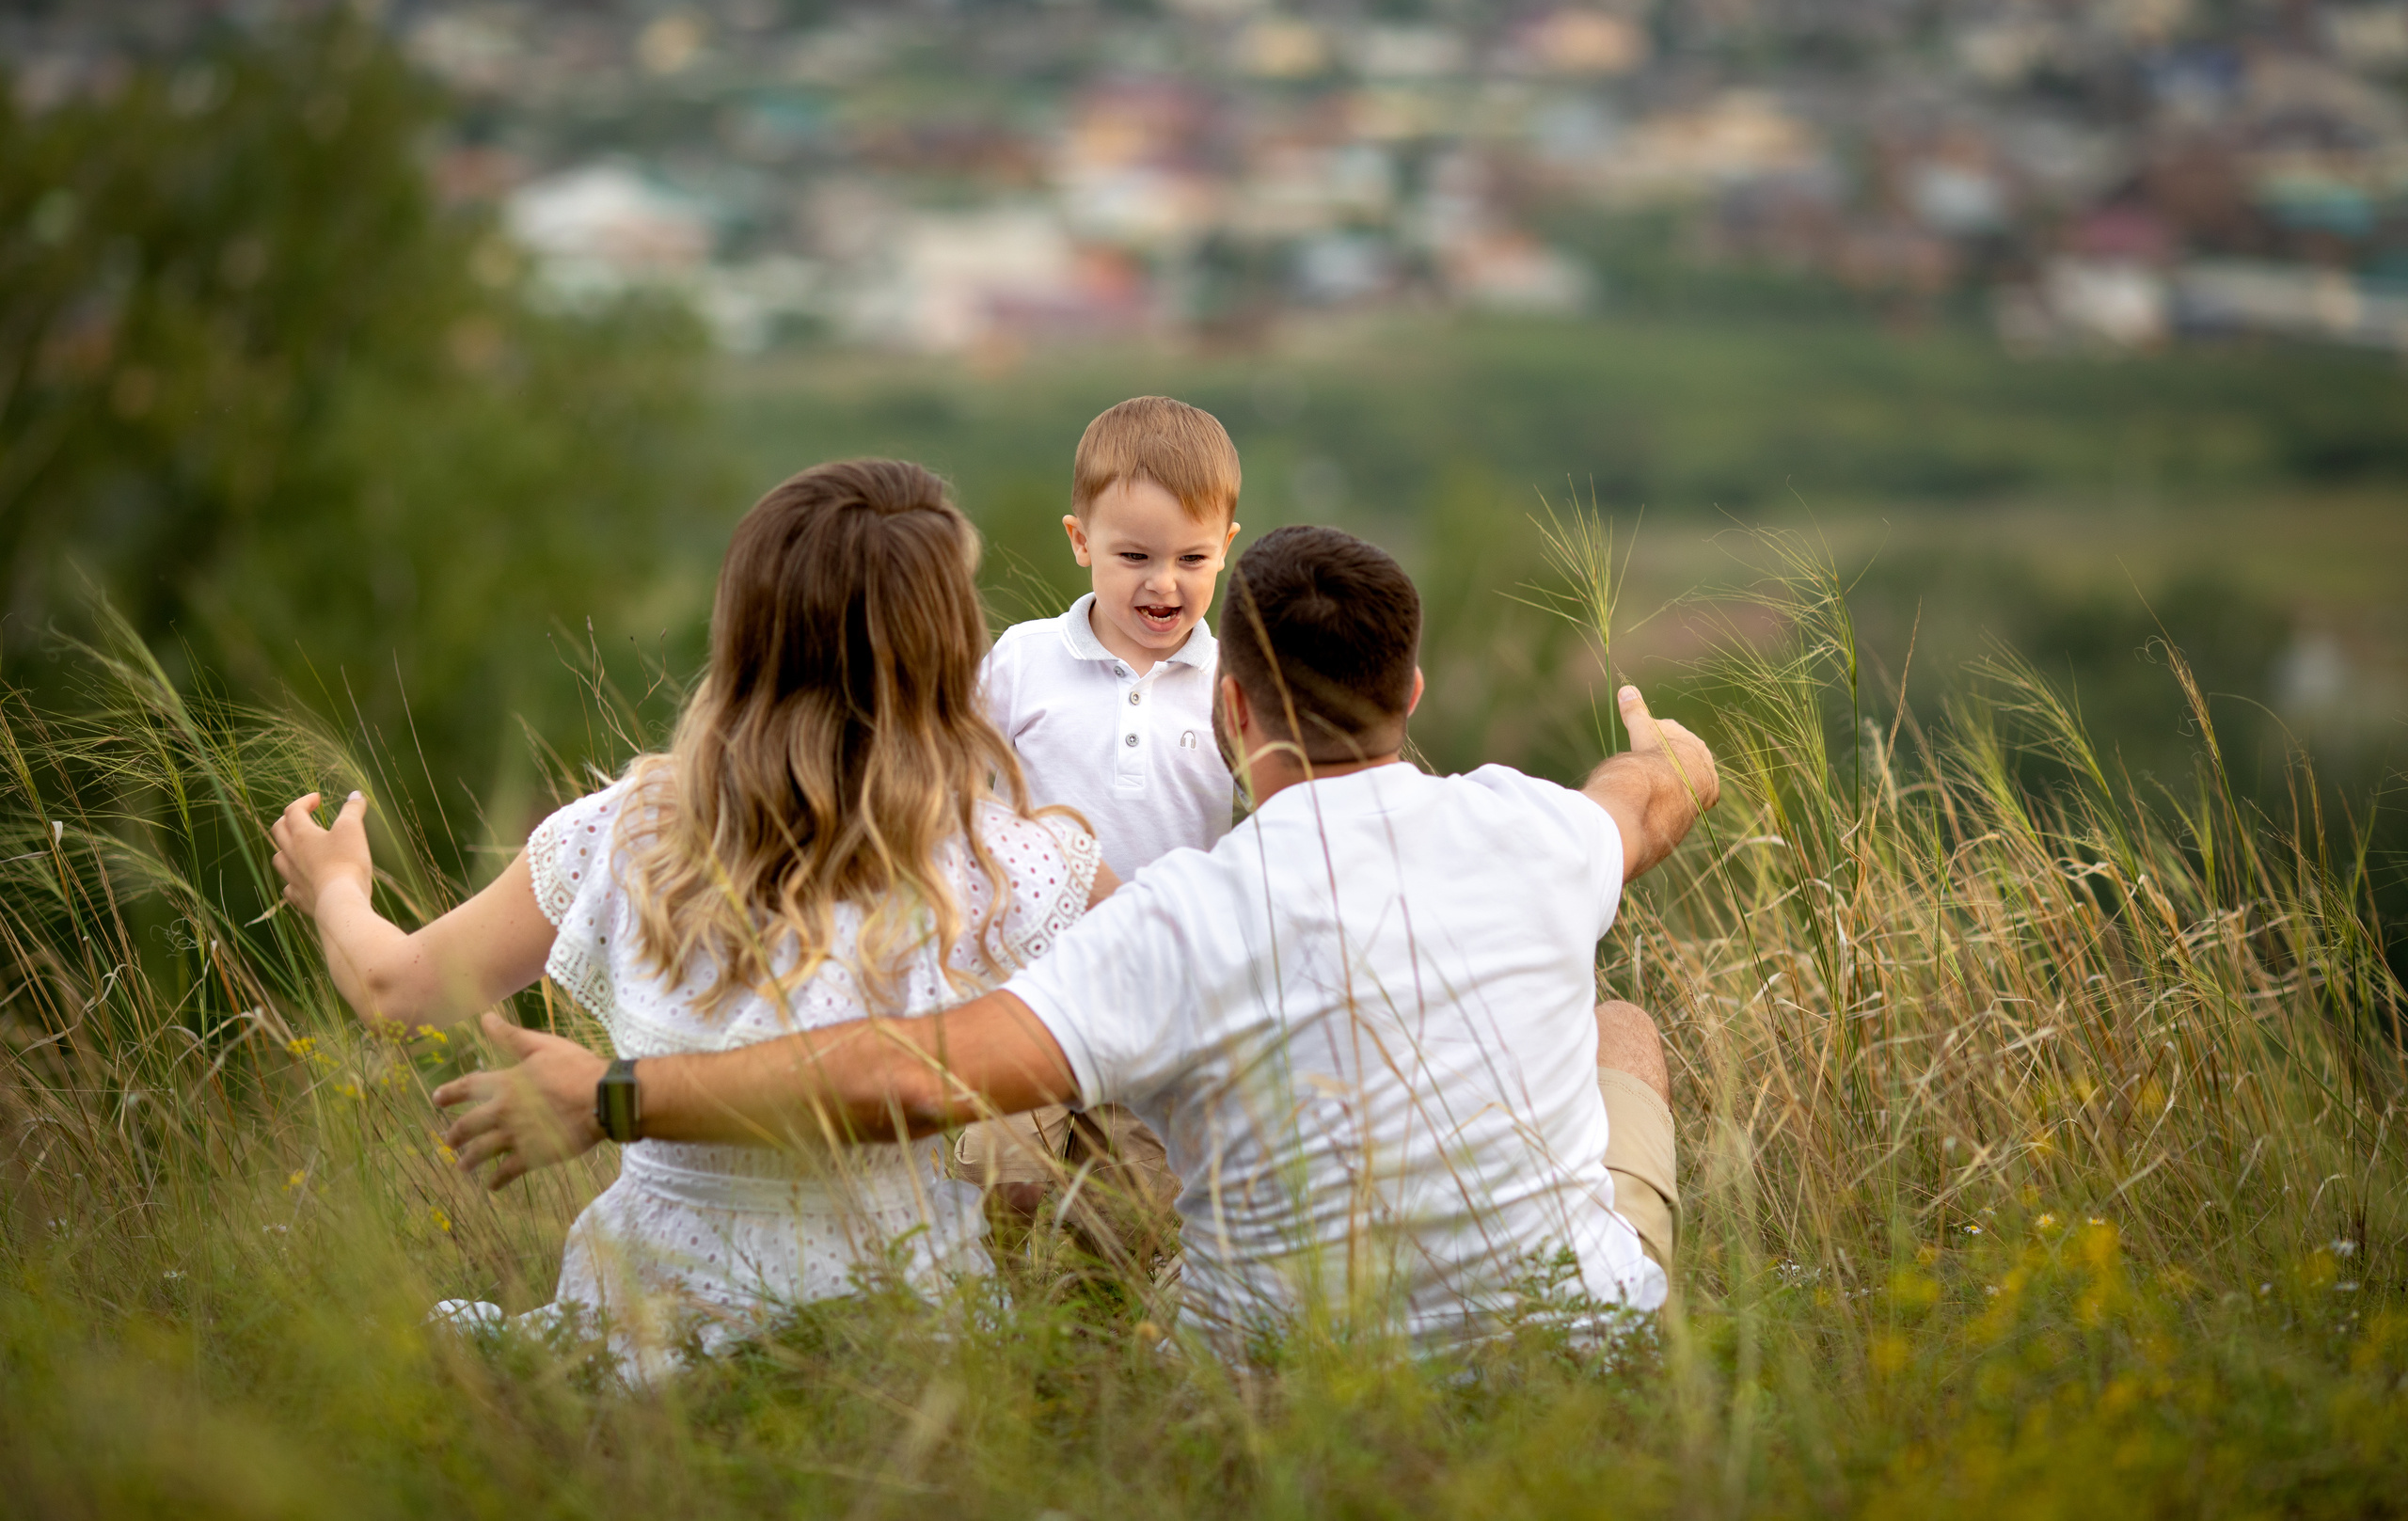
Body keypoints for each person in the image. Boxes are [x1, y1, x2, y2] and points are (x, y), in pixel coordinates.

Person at [436, 525, 1719, 1353]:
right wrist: (1672, 750)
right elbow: (1645, 793)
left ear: (1229, 709)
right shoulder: (1541, 828)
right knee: (1625, 1028)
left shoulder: (1182, 914)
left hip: (1276, 1384)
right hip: (1580, 1351)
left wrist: (613, 1091)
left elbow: (898, 1076)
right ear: (1415, 696)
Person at [269, 460, 1111, 1368]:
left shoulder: (631, 831)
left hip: (645, 1335)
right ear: (946, 648)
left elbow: (395, 985)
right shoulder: (1006, 861)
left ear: (746, 634)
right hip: (904, 1348)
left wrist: (337, 890)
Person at [958, 396, 1241, 1221]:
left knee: (1135, 1214)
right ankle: (998, 1321)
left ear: (1226, 547)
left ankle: (1092, 1336)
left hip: (1157, 1000)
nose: (1164, 582)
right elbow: (954, 784)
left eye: (1192, 557)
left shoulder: (1230, 686)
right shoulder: (1023, 660)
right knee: (1001, 1182)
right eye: (1134, 555)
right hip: (1022, 977)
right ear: (1081, 542)